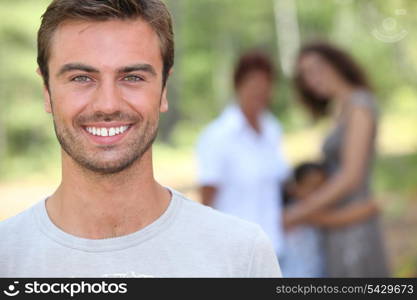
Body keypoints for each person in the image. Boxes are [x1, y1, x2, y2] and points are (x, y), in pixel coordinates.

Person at [0, 0, 281, 278]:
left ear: (163, 90)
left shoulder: (241, 256)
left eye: (132, 77)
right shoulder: (7, 257)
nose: (108, 105)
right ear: (47, 92)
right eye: (81, 78)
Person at [285, 41, 390, 277]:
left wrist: (299, 212)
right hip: (333, 222)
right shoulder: (339, 109)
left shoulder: (359, 104)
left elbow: (352, 176)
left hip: (354, 226)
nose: (312, 80)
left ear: (336, 63)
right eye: (305, 76)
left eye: (316, 68)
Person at [196, 51, 290, 261]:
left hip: (275, 251)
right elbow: (206, 200)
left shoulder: (273, 129)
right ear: (238, 85)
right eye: (253, 83)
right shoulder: (217, 136)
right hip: (235, 256)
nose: (260, 91)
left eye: (266, 84)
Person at [280, 162, 379, 277]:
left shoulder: (304, 212)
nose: (317, 194)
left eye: (321, 188)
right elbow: (336, 219)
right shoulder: (297, 212)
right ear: (294, 188)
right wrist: (368, 209)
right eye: (311, 187)